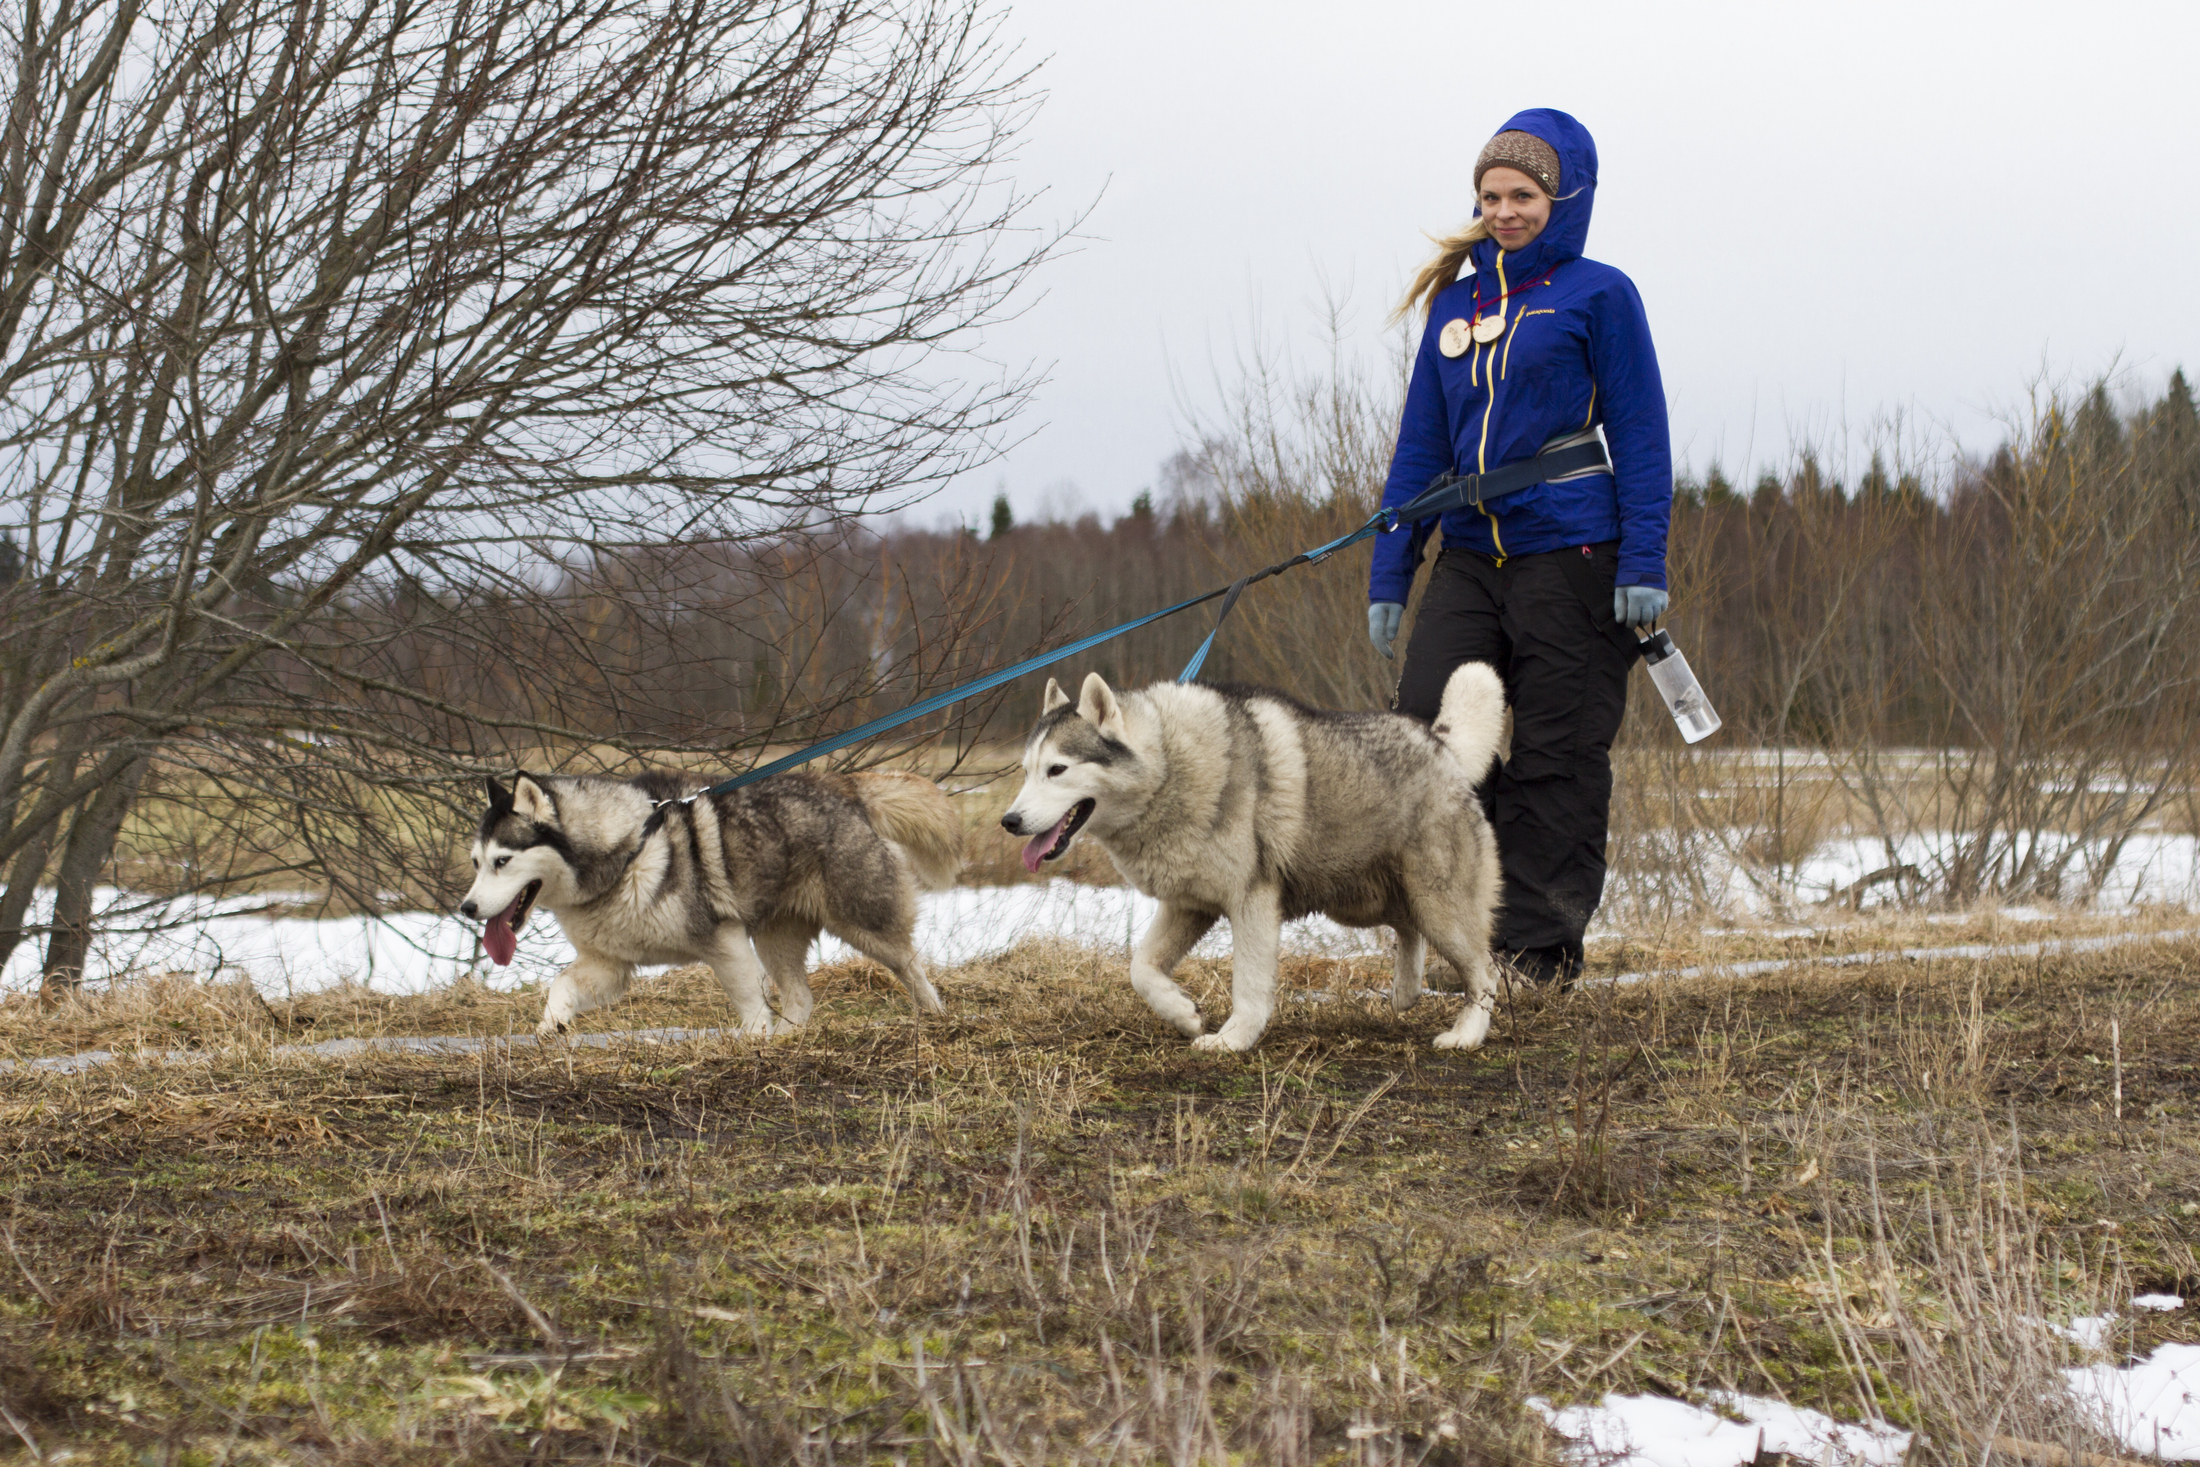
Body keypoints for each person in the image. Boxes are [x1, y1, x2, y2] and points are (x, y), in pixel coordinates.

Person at [1366, 107, 1671, 988]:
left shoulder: (1599, 294)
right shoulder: (1456, 303)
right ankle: (1461, 933)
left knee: (1553, 757)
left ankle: (1536, 954)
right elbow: (1419, 448)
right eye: (1491, 195)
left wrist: (1644, 562)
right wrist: (1394, 568)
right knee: (1426, 743)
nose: (1504, 210)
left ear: (1564, 197)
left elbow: (1642, 439)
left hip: (1573, 555)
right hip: (1468, 557)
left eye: (1524, 195)